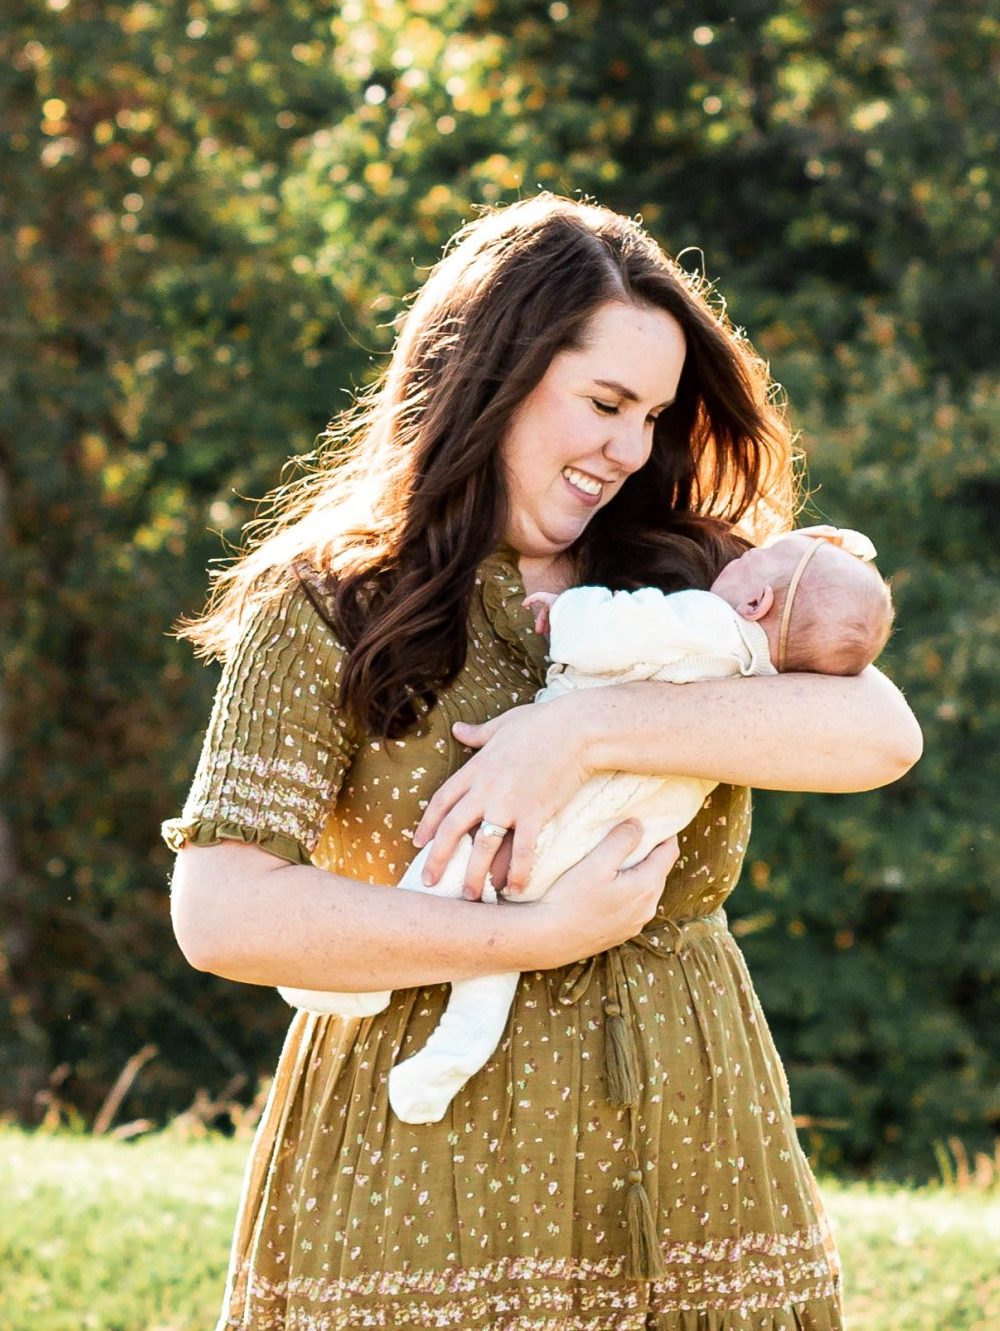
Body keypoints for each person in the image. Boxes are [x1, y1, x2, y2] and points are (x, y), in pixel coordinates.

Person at [166, 196, 923, 1331]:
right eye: (605, 403)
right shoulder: (333, 603)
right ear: (493, 375)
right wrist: (529, 937)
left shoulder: (698, 584)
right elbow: (222, 911)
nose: (629, 449)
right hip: (423, 1160)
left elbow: (880, 734)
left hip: (685, 1137)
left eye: (652, 416)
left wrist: (581, 730)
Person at [277, 529, 895, 1128]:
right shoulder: (770, 675)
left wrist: (568, 612)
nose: (739, 557)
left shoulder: (706, 622)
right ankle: (456, 1050)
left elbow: (618, 631)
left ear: (757, 601)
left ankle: (361, 984)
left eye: (758, 560)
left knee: (463, 863)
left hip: (582, 805)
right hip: (629, 830)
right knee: (507, 922)